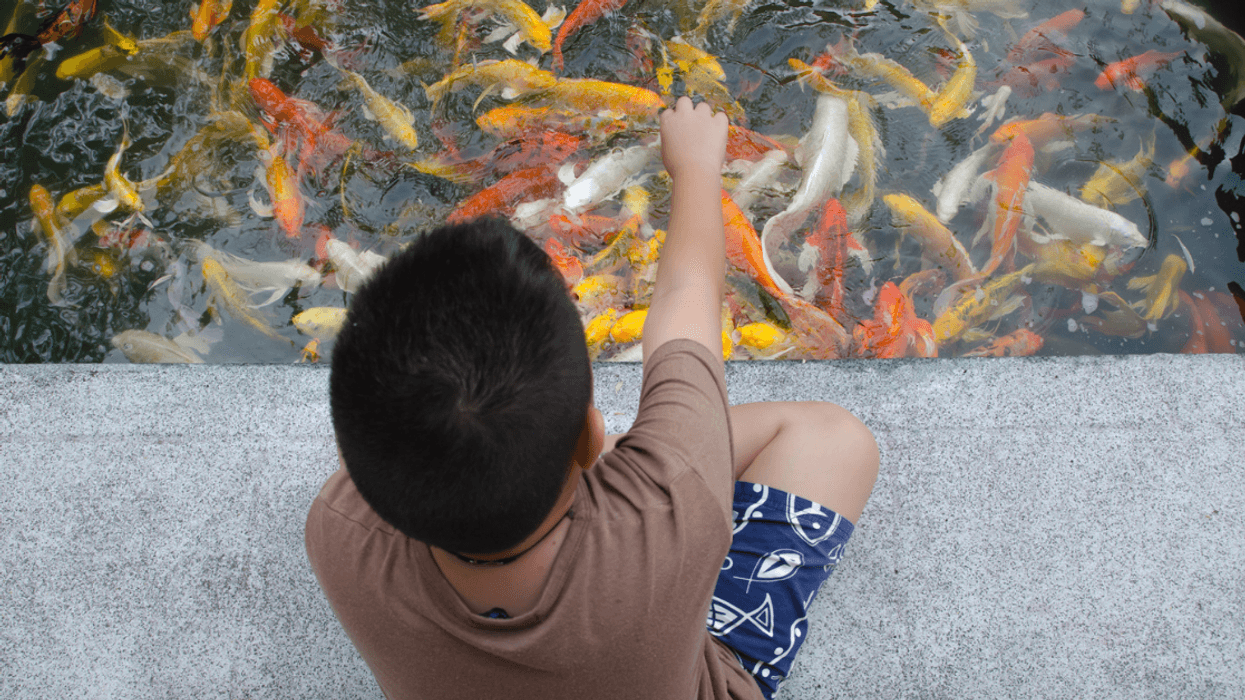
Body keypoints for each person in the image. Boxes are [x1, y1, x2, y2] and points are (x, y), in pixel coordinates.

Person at [305, 96, 879, 700]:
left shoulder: (338, 531)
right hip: (693, 673)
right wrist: (697, 170)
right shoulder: (668, 508)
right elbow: (689, 304)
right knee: (836, 440)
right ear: (592, 437)